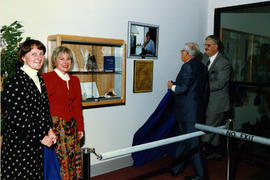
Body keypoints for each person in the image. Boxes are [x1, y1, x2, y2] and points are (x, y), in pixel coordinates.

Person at [1, 39, 56, 179]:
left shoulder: (39, 79)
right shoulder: (15, 82)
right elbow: (18, 118)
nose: (39, 58)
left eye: (41, 53)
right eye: (33, 54)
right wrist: (41, 136)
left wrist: (49, 129)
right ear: (23, 57)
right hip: (19, 146)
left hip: (36, 144)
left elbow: (44, 109)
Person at [168, 42, 209, 180]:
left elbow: (183, 88)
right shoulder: (202, 67)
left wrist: (172, 87)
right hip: (194, 111)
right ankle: (176, 168)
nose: (181, 53)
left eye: (182, 51)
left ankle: (201, 176)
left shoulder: (187, 66)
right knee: (182, 140)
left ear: (187, 53)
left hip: (188, 113)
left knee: (193, 144)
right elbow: (205, 91)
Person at [42, 46, 84, 180]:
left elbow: (77, 106)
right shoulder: (46, 78)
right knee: (60, 161)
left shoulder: (74, 80)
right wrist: (46, 129)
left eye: (68, 59)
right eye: (61, 59)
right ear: (55, 61)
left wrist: (81, 128)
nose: (66, 62)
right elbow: (42, 106)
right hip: (55, 127)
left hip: (72, 126)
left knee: (73, 159)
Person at [201, 35, 232, 159]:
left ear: (216, 47)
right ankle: (215, 153)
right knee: (215, 129)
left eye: (208, 45)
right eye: (205, 45)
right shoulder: (204, 58)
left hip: (217, 103)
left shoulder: (224, 63)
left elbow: (219, 83)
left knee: (208, 128)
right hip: (206, 100)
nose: (206, 48)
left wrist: (201, 87)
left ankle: (200, 154)